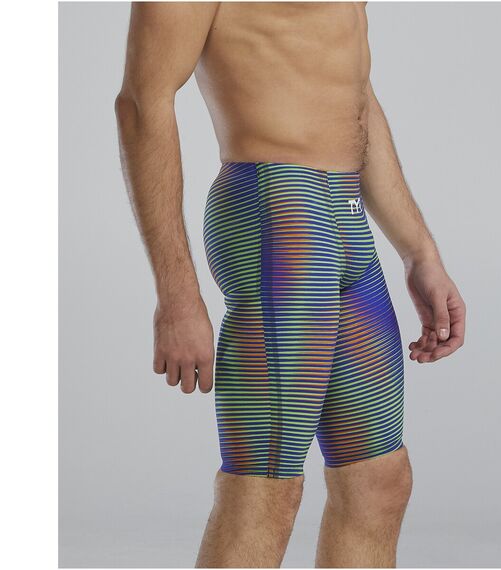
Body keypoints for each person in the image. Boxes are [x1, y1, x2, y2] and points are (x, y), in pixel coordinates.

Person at [115, 2, 466, 567]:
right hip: (276, 214)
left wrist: (418, 249)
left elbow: (352, 90)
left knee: (378, 481)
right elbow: (141, 103)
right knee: (266, 488)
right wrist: (177, 296)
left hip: (346, 213)